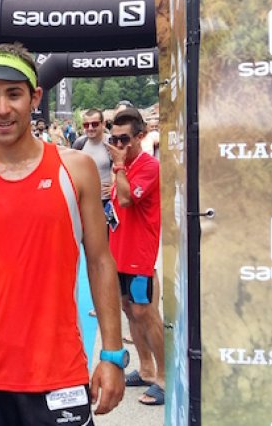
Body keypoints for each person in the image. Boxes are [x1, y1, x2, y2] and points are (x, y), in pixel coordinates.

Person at [0, 42, 126, 424]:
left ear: (34, 98)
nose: (2, 108)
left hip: (59, 372)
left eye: (14, 94)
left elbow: (100, 261)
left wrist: (112, 355)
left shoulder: (76, 169)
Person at [105, 108, 165, 406]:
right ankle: (146, 368)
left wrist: (118, 168)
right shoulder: (124, 167)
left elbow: (128, 199)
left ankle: (165, 376)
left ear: (140, 137)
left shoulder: (148, 166)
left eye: (124, 139)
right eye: (114, 139)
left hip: (140, 254)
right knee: (129, 310)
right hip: (119, 252)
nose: (118, 145)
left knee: (145, 312)